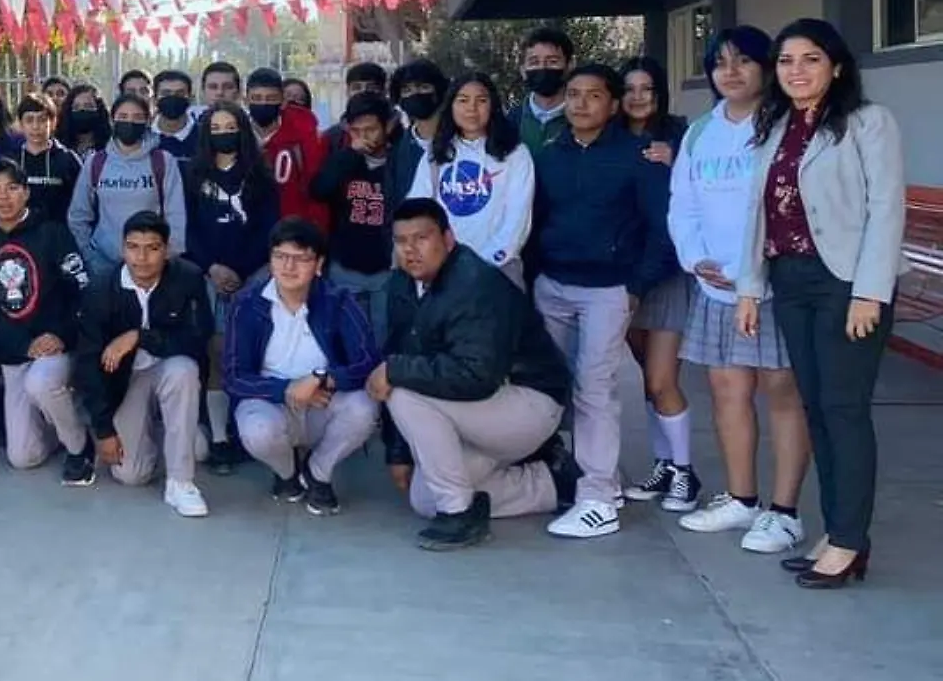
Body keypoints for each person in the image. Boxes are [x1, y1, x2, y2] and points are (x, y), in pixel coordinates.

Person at [736, 18, 904, 589]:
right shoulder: (778, 123)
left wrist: (870, 292)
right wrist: (750, 288)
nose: (797, 71)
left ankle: (851, 541)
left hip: (846, 283)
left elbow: (886, 208)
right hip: (791, 280)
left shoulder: (867, 122)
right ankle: (837, 533)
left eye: (810, 59)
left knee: (844, 410)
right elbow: (761, 215)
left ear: (836, 65)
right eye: (786, 61)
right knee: (816, 409)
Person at [669, 26, 810, 553]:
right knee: (728, 393)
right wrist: (695, 258)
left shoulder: (786, 125)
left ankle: (784, 512)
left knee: (783, 395)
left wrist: (758, 267)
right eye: (720, 63)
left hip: (772, 285)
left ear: (766, 67)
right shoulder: (701, 131)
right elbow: (682, 202)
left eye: (743, 61)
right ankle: (741, 499)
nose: (730, 72)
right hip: (715, 286)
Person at [373, 199, 573, 550]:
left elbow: (476, 374)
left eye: (421, 238)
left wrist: (395, 370)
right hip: (479, 411)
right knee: (425, 499)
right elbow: (402, 353)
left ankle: (460, 515)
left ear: (448, 239)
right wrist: (399, 453)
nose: (410, 250)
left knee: (403, 388)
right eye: (402, 241)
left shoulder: (475, 284)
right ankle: (554, 481)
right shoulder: (402, 286)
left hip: (528, 403)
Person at [532, 63, 676, 540]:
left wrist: (636, 285)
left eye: (593, 95)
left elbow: (662, 227)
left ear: (612, 105)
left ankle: (596, 500)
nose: (580, 103)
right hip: (552, 285)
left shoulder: (640, 156)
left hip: (608, 290)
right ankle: (594, 479)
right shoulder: (551, 154)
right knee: (547, 384)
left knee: (595, 388)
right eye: (573, 94)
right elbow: (536, 219)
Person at [225, 218, 382, 516]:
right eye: (281, 256)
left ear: (319, 263)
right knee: (257, 431)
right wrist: (287, 389)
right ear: (270, 260)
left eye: (301, 258)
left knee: (364, 408)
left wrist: (323, 379)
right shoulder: (248, 304)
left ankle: (318, 472)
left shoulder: (338, 301)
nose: (289, 267)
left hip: (324, 400)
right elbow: (234, 376)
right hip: (270, 401)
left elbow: (368, 362)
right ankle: (286, 474)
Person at [78, 211, 214, 517]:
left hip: (170, 370)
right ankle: (167, 435)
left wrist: (139, 337)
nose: (142, 258)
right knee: (131, 474)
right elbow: (87, 364)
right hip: (127, 383)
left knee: (183, 369)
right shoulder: (101, 291)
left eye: (152, 248)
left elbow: (197, 338)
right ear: (122, 249)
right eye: (133, 247)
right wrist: (103, 430)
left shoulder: (188, 278)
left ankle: (181, 482)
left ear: (166, 250)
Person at [0, 159, 95, 483]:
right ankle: (65, 425)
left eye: (12, 188)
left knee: (41, 382)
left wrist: (61, 335)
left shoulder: (53, 234)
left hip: (56, 347)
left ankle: (80, 448)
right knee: (23, 457)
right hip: (14, 353)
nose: (4, 197)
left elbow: (81, 290)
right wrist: (23, 344)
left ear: (26, 192)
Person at [615, 56, 699, 515]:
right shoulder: (611, 140)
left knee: (662, 378)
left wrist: (676, 161)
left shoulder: (682, 138)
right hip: (625, 277)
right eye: (629, 88)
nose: (638, 97)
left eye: (647, 88)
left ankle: (685, 472)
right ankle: (665, 464)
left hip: (665, 274)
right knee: (648, 380)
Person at [183, 102, 279, 470]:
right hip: (209, 277)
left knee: (252, 354)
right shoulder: (193, 174)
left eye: (230, 126)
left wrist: (241, 270)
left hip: (252, 277)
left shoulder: (259, 175)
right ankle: (221, 437)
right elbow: (188, 228)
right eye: (216, 127)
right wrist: (212, 267)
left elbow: (268, 228)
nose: (224, 133)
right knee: (216, 353)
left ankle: (253, 431)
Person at [405, 73, 534, 286]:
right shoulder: (437, 152)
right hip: (442, 271)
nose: (472, 108)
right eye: (463, 100)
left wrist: (481, 266)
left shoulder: (515, 154)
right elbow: (417, 209)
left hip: (497, 273)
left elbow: (517, 220)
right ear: (451, 106)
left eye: (481, 100)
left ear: (492, 106)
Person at [68, 94, 187, 278]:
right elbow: (78, 215)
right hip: (104, 265)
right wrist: (89, 256)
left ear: (148, 121)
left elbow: (176, 214)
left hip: (153, 267)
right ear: (112, 119)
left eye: (137, 117)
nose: (129, 122)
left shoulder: (163, 161)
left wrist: (166, 257)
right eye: (123, 117)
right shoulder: (96, 162)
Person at [312, 93, 397, 341]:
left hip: (386, 268)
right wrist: (350, 154)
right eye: (356, 131)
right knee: (349, 339)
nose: (364, 137)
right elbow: (319, 190)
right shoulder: (343, 159)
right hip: (346, 265)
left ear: (388, 126)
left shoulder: (399, 161)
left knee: (384, 339)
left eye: (371, 129)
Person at [246, 67, 330, 232]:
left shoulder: (306, 137)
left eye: (271, 98)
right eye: (256, 98)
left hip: (292, 234)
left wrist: (315, 234)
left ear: (283, 101)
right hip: (247, 234)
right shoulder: (235, 133)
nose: (263, 103)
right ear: (245, 99)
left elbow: (315, 192)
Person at [0, 93, 81, 226]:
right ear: (20, 124)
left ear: (53, 122)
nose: (36, 126)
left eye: (42, 120)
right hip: (19, 238)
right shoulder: (9, 160)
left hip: (59, 238)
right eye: (29, 120)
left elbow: (81, 204)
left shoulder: (67, 160)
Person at [386, 58, 450, 217]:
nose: (415, 94)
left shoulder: (463, 142)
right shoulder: (398, 153)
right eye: (406, 90)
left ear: (439, 91)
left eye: (423, 87)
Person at [513, 26, 574, 154]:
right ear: (523, 70)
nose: (543, 68)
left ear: (570, 66)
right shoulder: (510, 122)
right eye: (534, 62)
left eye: (552, 61)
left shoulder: (583, 118)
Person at [319, 62, 389, 156]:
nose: (363, 92)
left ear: (384, 92)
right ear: (347, 92)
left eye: (371, 87)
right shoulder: (332, 137)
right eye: (356, 88)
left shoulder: (402, 135)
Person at [150, 70, 199, 159]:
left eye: (180, 94)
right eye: (166, 93)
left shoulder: (204, 135)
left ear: (191, 99)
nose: (173, 98)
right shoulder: (143, 135)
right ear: (155, 100)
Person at [55, 83, 110, 161]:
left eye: (88, 106)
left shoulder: (110, 146)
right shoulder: (59, 147)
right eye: (76, 107)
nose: (82, 110)